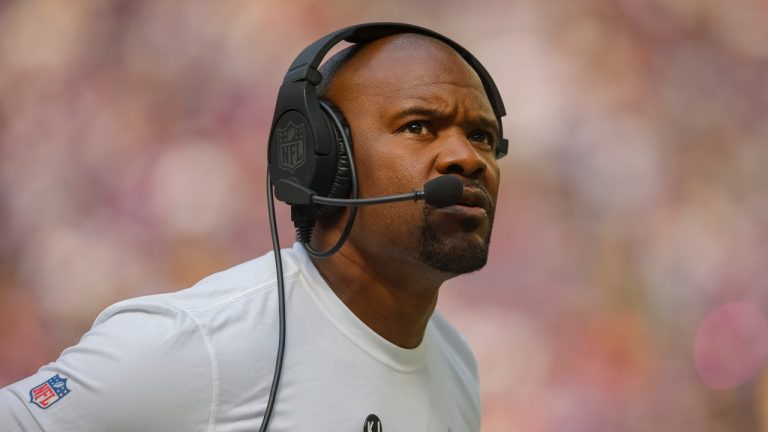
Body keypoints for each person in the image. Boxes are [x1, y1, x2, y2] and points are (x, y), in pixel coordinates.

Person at [0, 24, 502, 431]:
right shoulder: (198, 343)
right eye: (418, 126)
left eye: (481, 136)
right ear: (325, 160)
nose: (466, 157)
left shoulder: (458, 366)